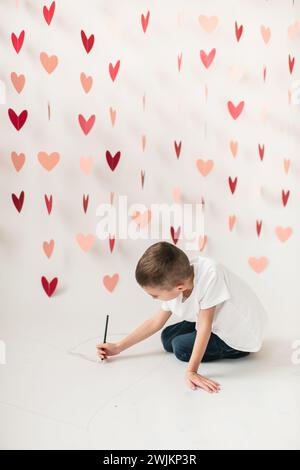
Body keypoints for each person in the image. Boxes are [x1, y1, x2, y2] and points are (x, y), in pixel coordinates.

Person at [96, 241, 268, 393]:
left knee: (180, 347)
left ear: (179, 288)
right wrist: (119, 347)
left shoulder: (211, 275)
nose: (154, 299)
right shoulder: (179, 277)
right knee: (167, 337)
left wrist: (191, 371)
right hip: (212, 320)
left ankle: (230, 350)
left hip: (238, 336)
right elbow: (156, 322)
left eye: (155, 295)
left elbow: (204, 327)